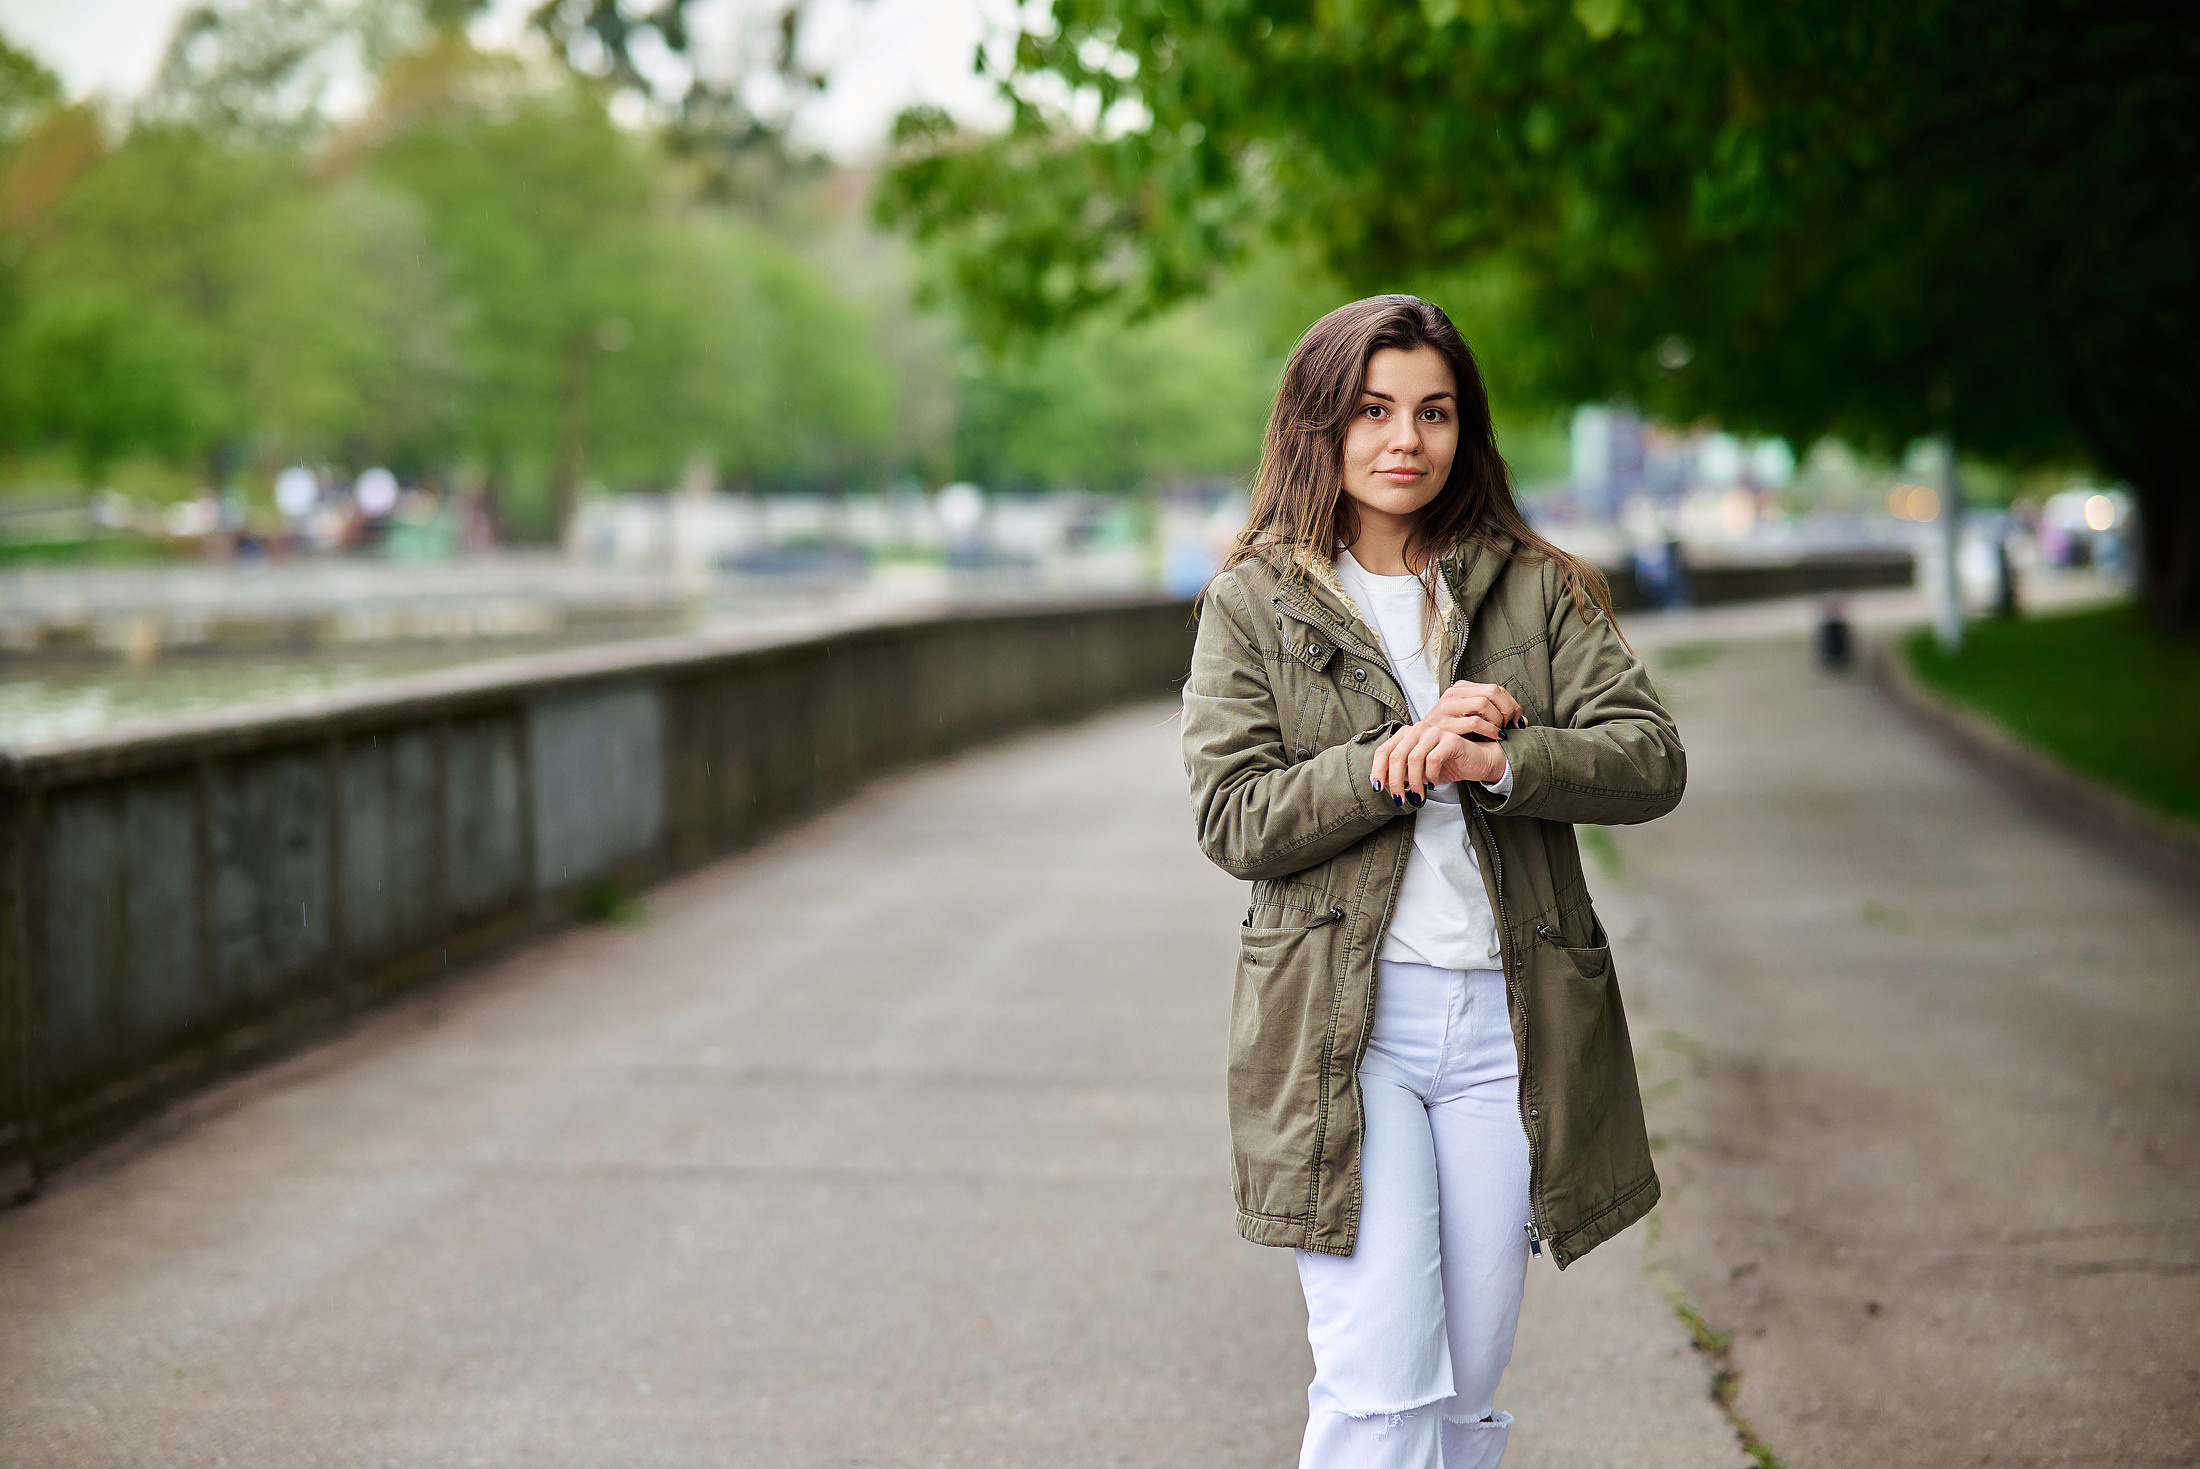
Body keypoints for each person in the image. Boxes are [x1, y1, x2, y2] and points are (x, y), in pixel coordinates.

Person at [1180, 296, 1687, 1468]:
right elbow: (1232, 813)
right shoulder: (1254, 600)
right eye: (1372, 410)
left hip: (1513, 1025)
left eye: (1433, 411)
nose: (1404, 438)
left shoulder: (1534, 587)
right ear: (1320, 424)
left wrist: (1500, 759)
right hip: (1347, 1030)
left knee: (1465, 1383)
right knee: (1379, 1381)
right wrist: (1384, 766)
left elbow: (1650, 756)